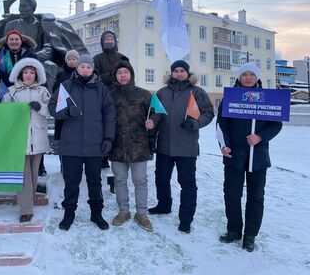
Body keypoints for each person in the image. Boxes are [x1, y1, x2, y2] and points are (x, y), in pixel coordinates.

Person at [217, 63, 282, 252]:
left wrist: (260, 137)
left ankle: (250, 234)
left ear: (257, 77)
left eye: (251, 74)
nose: (247, 78)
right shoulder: (230, 98)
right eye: (244, 74)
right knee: (232, 194)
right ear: (239, 77)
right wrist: (225, 145)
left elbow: (276, 124)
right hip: (234, 155)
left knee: (256, 196)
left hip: (258, 157)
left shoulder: (268, 98)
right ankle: (234, 230)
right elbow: (222, 125)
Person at [48, 54, 116, 231]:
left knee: (95, 182)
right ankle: (69, 213)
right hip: (71, 145)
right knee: (71, 182)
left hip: (95, 145)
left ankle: (96, 213)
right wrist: (68, 111)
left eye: (88, 66)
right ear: (76, 68)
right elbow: (52, 108)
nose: (85, 69)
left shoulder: (101, 89)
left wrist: (108, 138)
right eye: (82, 66)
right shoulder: (66, 86)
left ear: (93, 68)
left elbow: (110, 115)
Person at [148, 60, 214, 234]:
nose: (179, 73)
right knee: (161, 179)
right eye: (176, 71)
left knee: (187, 183)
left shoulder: (197, 92)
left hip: (187, 147)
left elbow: (208, 112)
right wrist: (152, 139)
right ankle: (164, 205)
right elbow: (156, 115)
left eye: (182, 71)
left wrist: (195, 123)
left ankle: (186, 219)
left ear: (187, 73)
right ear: (171, 73)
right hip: (164, 146)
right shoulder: (162, 93)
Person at [108, 61, 157, 231]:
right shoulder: (110, 95)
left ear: (131, 75)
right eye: (119, 72)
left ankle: (141, 213)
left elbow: (156, 113)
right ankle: (124, 211)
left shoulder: (144, 95)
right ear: (115, 76)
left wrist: (153, 121)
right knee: (120, 180)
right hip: (117, 145)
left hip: (139, 145)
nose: (123, 75)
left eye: (126, 72)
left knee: (140, 181)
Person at [2, 58, 51, 222]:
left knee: (34, 175)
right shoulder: (11, 92)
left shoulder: (42, 91)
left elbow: (51, 110)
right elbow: (3, 112)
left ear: (36, 74)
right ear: (20, 74)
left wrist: (41, 107)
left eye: (32, 72)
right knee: (23, 176)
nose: (29, 75)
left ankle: (28, 203)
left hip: (38, 140)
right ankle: (25, 210)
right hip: (19, 140)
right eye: (25, 72)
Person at [93, 30, 128, 169]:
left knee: (120, 125)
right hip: (104, 97)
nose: (109, 41)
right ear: (102, 42)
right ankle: (103, 156)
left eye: (111, 39)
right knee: (104, 126)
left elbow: (129, 77)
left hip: (121, 96)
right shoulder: (97, 58)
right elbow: (96, 78)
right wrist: (112, 74)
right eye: (106, 39)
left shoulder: (123, 58)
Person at [51, 50, 79, 142]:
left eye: (74, 59)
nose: (71, 61)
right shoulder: (61, 74)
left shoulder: (80, 74)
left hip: (76, 105)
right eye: (69, 59)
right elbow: (55, 88)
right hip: (63, 105)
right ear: (66, 61)